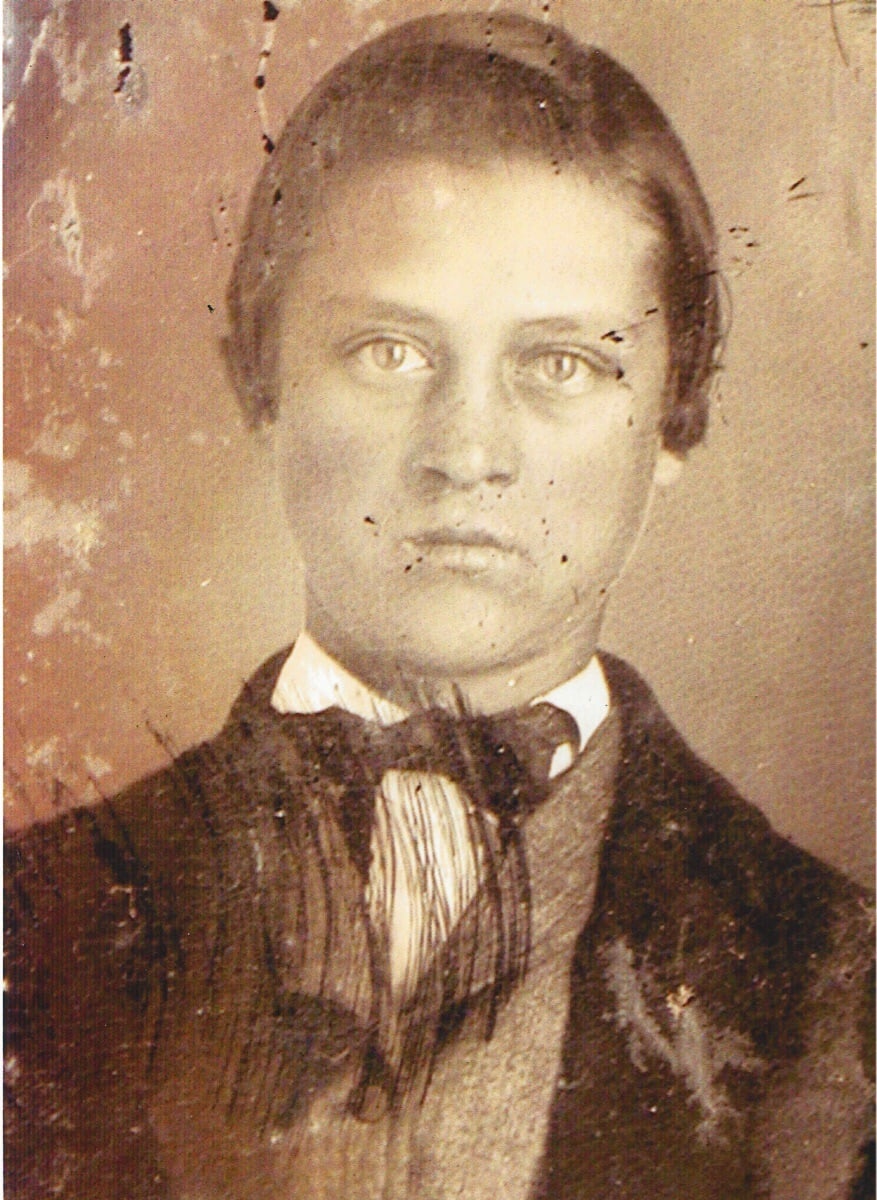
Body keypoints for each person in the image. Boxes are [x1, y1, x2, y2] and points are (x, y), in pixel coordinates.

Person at [5, 12, 873, 1199]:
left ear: (675, 422)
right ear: (259, 384)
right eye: (389, 352)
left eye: (560, 364)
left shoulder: (836, 974)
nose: (467, 453)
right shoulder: (31, 927)